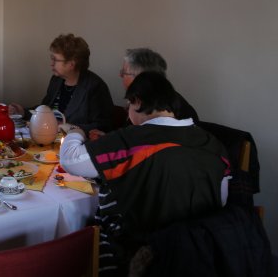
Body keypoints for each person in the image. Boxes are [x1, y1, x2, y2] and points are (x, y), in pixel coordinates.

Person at [59, 72, 229, 275]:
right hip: (200, 253)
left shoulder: (134, 139)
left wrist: (75, 132)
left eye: (128, 106)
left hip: (141, 254)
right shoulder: (213, 144)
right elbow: (222, 199)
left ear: (137, 101)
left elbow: (70, 159)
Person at [8, 33, 113, 133]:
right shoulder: (56, 80)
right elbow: (45, 110)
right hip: (48, 136)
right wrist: (22, 112)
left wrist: (68, 127)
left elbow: (103, 126)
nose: (51, 64)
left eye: (55, 60)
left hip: (75, 143)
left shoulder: (95, 87)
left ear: (71, 64)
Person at [120, 47, 198, 121]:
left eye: (123, 73)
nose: (120, 75)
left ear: (140, 77)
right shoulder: (143, 97)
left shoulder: (158, 106)